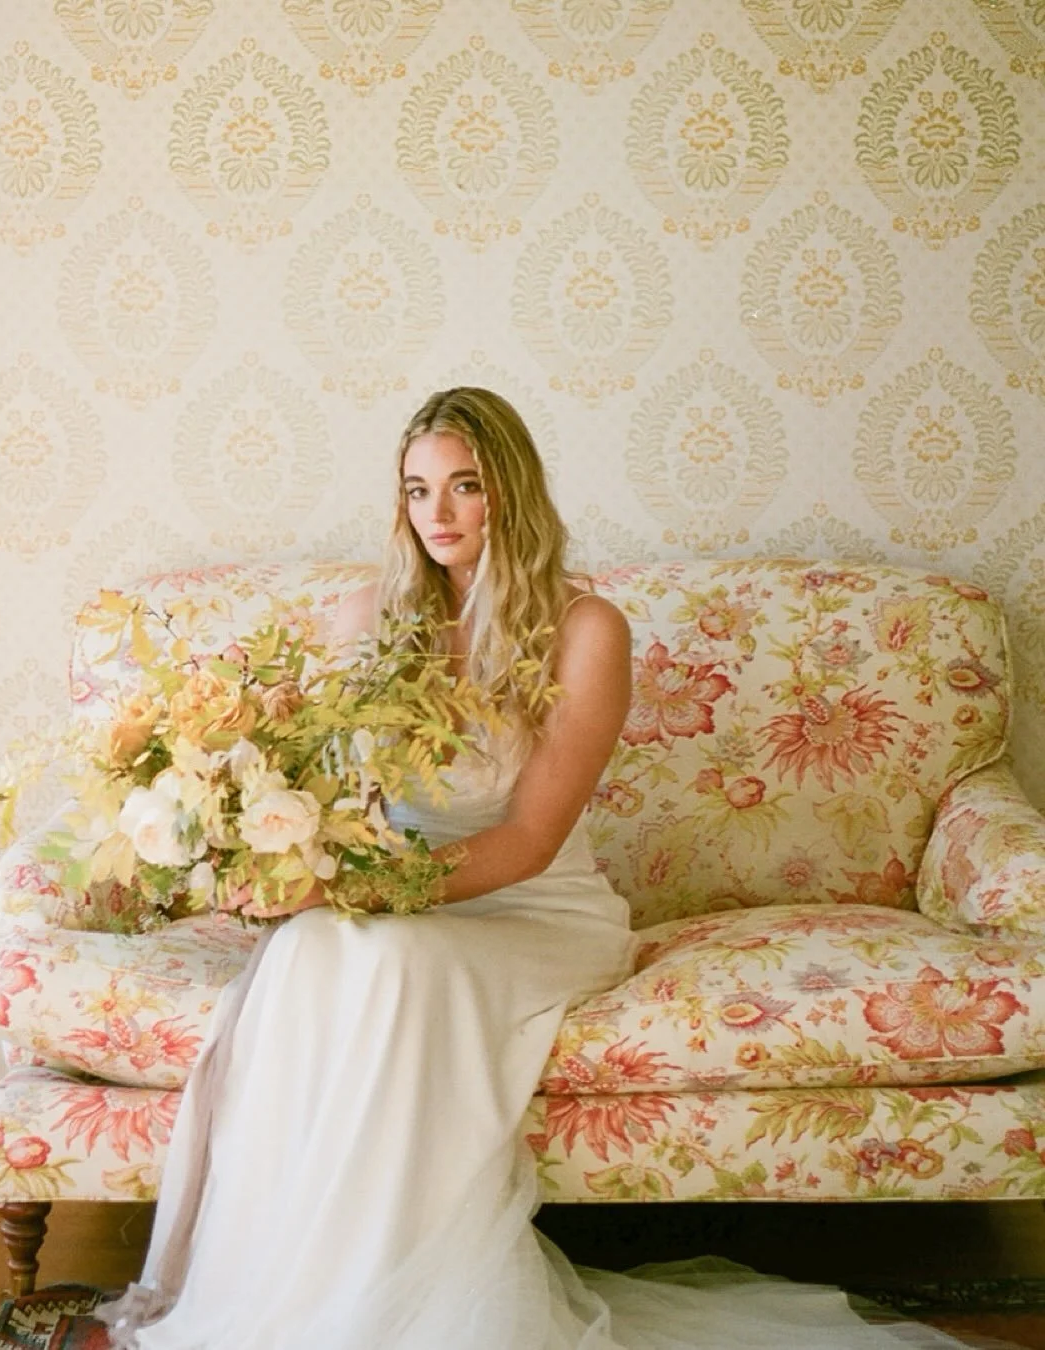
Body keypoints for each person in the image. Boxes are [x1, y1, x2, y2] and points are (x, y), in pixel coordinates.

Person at [99, 388, 970, 1348]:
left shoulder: (585, 629)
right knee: (308, 952)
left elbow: (529, 839)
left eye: (465, 486)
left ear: (509, 491)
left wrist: (357, 888)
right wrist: (263, 847)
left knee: (389, 959)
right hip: (391, 904)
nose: (437, 512)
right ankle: (296, 1298)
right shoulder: (364, 619)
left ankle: (385, 1304)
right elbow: (324, 793)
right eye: (417, 489)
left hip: (535, 908)